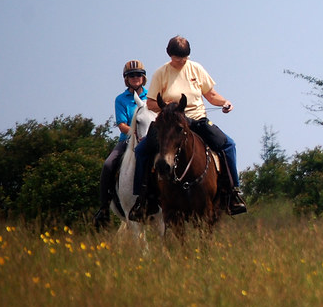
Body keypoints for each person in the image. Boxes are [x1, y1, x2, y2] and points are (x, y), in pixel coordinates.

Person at [129, 36, 246, 218]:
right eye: (177, 57)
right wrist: (169, 106)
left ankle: (232, 193)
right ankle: (143, 199)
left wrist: (225, 102)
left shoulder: (196, 69)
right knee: (142, 151)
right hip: (170, 121)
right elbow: (151, 103)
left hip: (197, 119)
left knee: (228, 145)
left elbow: (211, 94)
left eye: (184, 57)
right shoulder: (161, 73)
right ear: (170, 55)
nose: (181, 60)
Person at [94, 60, 148, 228]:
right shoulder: (121, 99)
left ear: (143, 77)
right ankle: (104, 208)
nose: (135, 78)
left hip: (149, 141)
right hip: (128, 140)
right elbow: (122, 124)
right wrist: (134, 134)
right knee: (108, 164)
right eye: (131, 75)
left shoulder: (152, 96)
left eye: (138, 74)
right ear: (126, 79)